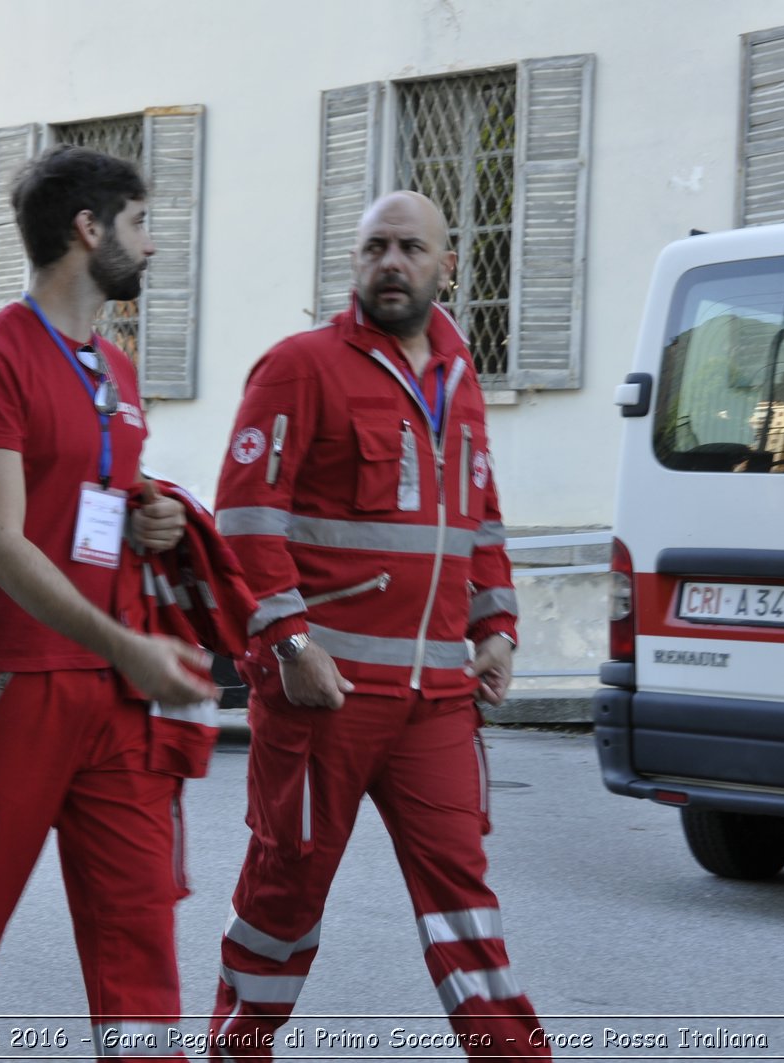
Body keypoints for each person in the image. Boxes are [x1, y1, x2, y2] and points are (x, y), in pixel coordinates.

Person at [0, 145, 219, 1063]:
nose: (152, 246)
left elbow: (88, 508)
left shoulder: (119, 371)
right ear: (89, 230)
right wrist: (125, 644)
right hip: (3, 692)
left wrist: (155, 526)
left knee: (140, 940)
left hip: (113, 701)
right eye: (140, 224)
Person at [207, 191, 552, 1059]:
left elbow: (480, 517)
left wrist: (497, 623)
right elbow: (246, 520)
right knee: (286, 892)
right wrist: (291, 644)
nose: (390, 262)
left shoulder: (459, 375)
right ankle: (237, 1044)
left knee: (464, 897)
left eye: (409, 248)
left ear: (449, 264)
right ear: (354, 261)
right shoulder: (299, 367)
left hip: (436, 696)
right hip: (325, 696)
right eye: (374, 247)